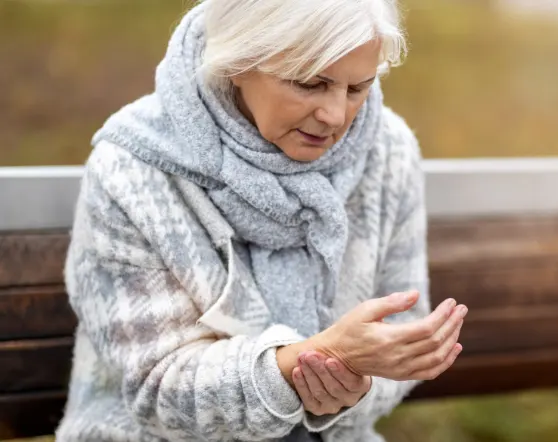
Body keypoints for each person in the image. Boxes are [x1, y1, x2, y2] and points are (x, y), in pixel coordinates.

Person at [55, 0, 468, 441]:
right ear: (237, 61)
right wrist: (306, 363)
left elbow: (406, 337)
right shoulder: (133, 167)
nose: (335, 115)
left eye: (357, 88)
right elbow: (160, 389)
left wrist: (348, 387)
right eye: (310, 83)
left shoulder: (388, 151)